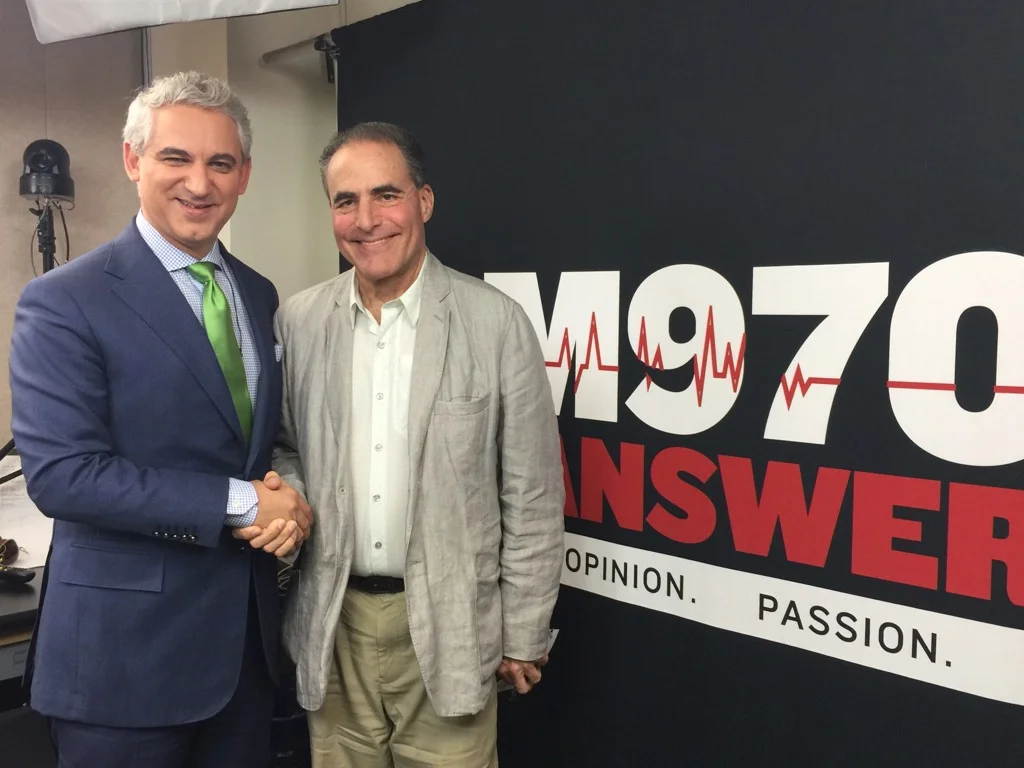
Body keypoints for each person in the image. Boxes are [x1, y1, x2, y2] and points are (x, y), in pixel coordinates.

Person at [8, 71, 312, 768]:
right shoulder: (64, 301)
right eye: (176, 158)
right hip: (123, 663)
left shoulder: (260, 294)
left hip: (243, 657)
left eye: (221, 163)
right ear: (133, 160)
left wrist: (287, 502)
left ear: (245, 176)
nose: (199, 183)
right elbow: (64, 476)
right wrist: (244, 503)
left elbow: (263, 443)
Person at [256, 121, 565, 767]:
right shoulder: (298, 321)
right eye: (345, 201)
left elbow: (532, 495)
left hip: (453, 626)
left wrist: (524, 631)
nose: (366, 220)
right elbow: (285, 449)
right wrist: (292, 501)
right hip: (334, 623)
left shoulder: (496, 323)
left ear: (423, 201)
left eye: (386, 195)